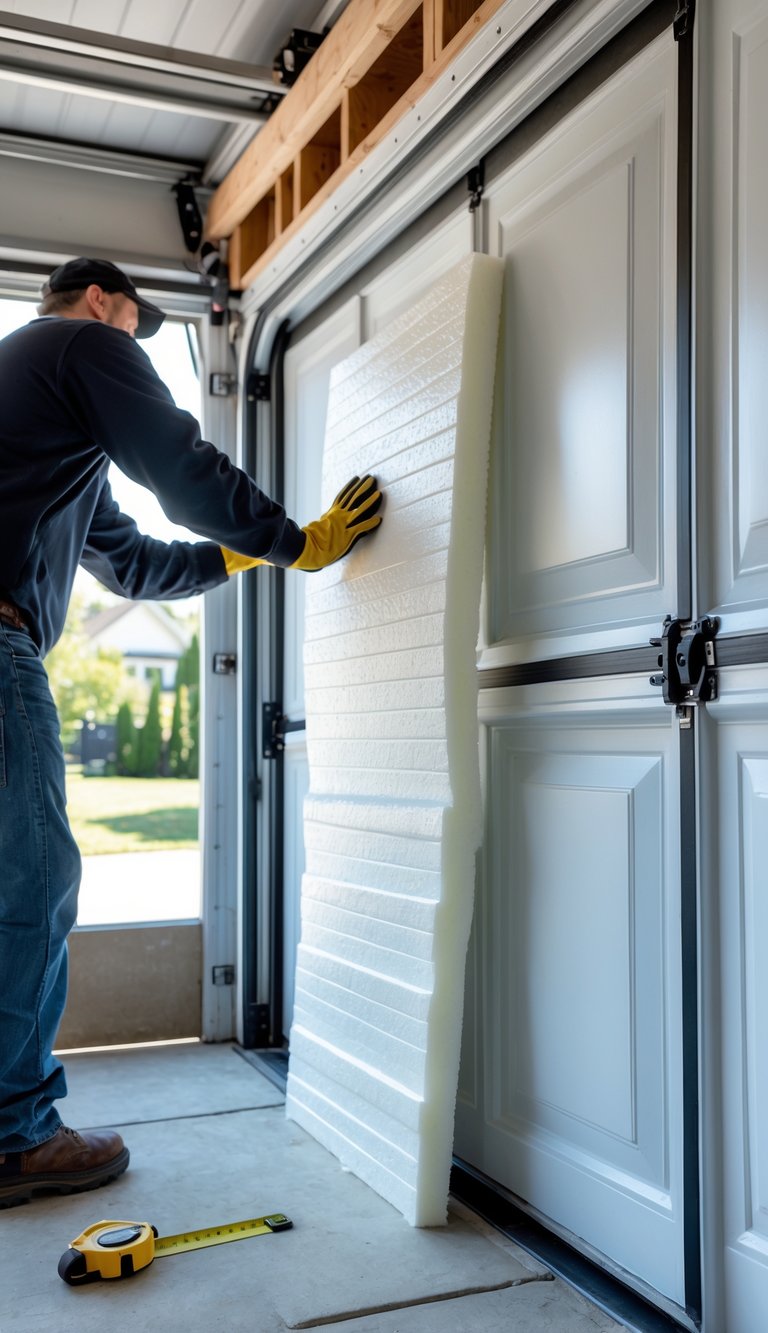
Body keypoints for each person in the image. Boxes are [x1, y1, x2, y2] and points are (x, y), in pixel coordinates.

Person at [0, 257, 382, 1208]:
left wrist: (247, 550)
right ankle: (13, 1136)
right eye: (136, 320)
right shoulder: (81, 344)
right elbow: (180, 463)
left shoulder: (38, 416)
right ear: (99, 299)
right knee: (33, 883)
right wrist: (297, 542)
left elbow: (132, 563)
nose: (134, 339)